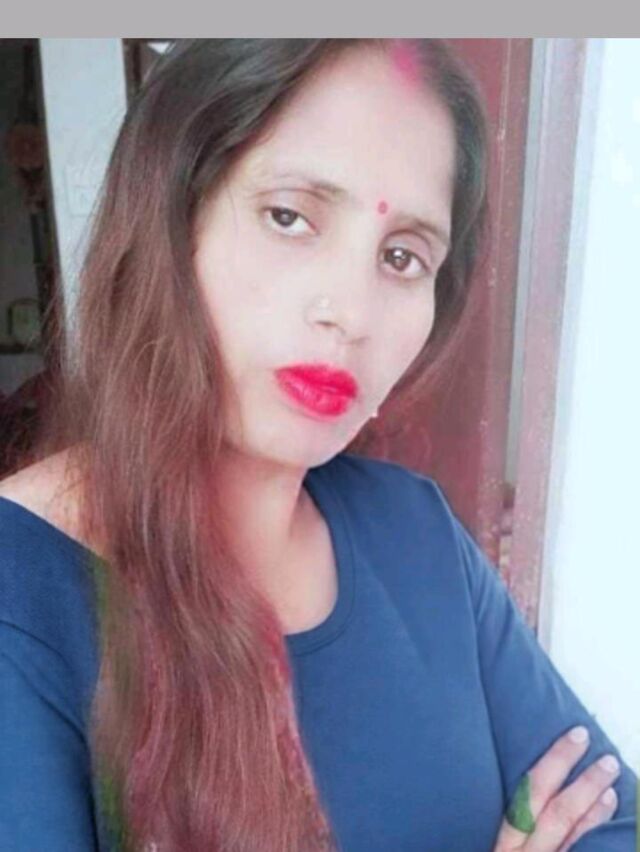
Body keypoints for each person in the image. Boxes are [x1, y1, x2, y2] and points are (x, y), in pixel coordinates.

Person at [0, 38, 636, 852]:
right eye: (290, 217)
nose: (351, 311)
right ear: (168, 217)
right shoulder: (23, 598)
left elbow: (611, 814)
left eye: (403, 257)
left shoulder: (415, 533)